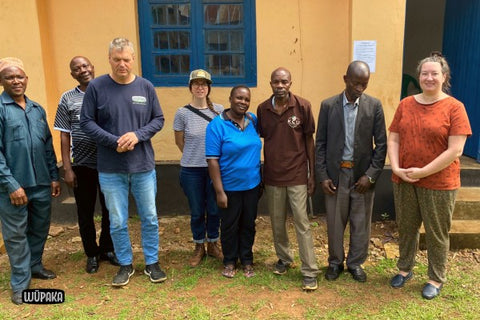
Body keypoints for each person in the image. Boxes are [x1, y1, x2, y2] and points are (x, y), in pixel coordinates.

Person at [80, 38, 166, 287]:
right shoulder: (97, 87)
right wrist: (113, 140)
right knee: (117, 220)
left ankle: (152, 263)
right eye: (117, 59)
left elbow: (158, 119)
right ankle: (126, 264)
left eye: (126, 59)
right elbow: (87, 122)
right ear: (109, 59)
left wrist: (137, 135)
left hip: (143, 167)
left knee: (149, 217)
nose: (122, 64)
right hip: (110, 168)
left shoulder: (146, 87)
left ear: (133, 59)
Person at [388, 52, 471, 299]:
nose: (429, 77)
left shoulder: (455, 108)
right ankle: (404, 269)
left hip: (439, 182)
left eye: (435, 73)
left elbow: (456, 149)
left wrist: (424, 171)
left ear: (444, 77)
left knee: (436, 232)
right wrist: (394, 167)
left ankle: (435, 278)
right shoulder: (406, 104)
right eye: (425, 73)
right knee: (406, 227)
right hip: (404, 179)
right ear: (419, 76)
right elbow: (394, 136)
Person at [315, 61, 387, 283]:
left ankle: (355, 264)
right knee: (336, 223)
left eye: (364, 84)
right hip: (336, 176)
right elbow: (320, 145)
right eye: (356, 83)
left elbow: (381, 145)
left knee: (361, 222)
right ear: (345, 79)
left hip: (362, 176)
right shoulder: (328, 106)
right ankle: (335, 262)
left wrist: (371, 175)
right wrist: (323, 176)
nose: (360, 89)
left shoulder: (374, 106)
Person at [0, 57, 61, 305]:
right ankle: (20, 283)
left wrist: (54, 176)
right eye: (10, 77)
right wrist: (11, 184)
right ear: (2, 81)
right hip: (13, 185)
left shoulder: (37, 109)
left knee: (39, 228)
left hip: (42, 183)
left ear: (26, 79)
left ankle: (35, 265)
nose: (16, 81)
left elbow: (47, 144)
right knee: (16, 234)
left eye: (20, 77)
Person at [54, 56, 119, 274]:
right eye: (76, 68)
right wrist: (67, 168)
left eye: (85, 65)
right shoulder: (67, 98)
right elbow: (64, 135)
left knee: (110, 209)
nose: (82, 70)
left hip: (109, 162)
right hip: (82, 165)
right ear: (72, 74)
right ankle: (91, 253)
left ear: (93, 67)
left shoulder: (107, 90)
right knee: (85, 211)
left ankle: (107, 249)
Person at [257, 67, 320, 291]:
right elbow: (263, 141)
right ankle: (284, 258)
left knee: (302, 223)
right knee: (277, 222)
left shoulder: (303, 106)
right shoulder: (263, 109)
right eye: (276, 82)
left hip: (297, 176)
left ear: (290, 83)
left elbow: (309, 142)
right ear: (271, 83)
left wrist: (312, 174)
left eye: (284, 82)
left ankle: (310, 270)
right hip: (273, 175)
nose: (280, 86)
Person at [206, 85, 261, 278]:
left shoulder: (253, 120)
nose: (243, 102)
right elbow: (212, 160)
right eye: (239, 98)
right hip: (229, 187)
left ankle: (246, 259)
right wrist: (220, 191)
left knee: (248, 224)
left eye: (246, 99)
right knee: (229, 225)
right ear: (230, 98)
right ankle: (229, 261)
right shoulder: (217, 125)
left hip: (253, 185)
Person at [173, 69, 224, 267]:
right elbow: (180, 142)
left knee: (213, 208)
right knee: (196, 211)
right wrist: (194, 156)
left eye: (204, 84)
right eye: (196, 84)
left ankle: (213, 242)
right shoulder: (182, 113)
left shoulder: (219, 110)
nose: (200, 87)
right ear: (191, 88)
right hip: (191, 170)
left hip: (214, 169)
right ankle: (198, 245)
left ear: (209, 87)